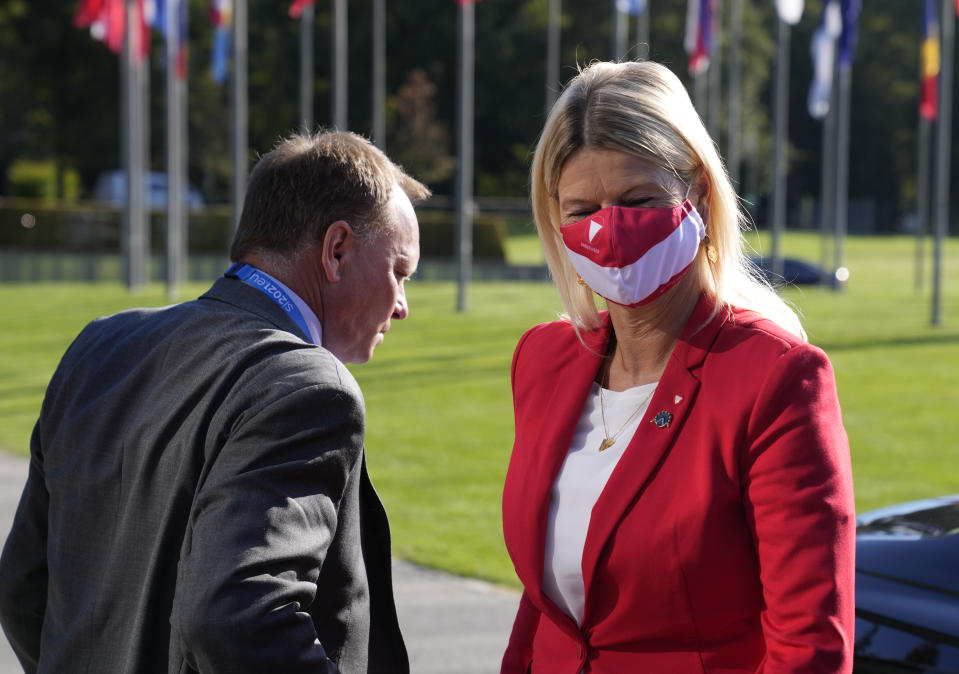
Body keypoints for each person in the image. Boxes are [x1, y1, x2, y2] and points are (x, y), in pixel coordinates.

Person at [0, 130, 430, 674]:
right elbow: (239, 618)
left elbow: (23, 588)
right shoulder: (307, 385)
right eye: (398, 271)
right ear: (337, 249)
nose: (403, 305)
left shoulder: (100, 347)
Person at [501, 61, 855, 673]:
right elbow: (544, 606)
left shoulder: (775, 377)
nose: (610, 232)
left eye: (638, 201)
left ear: (698, 192)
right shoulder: (543, 359)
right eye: (582, 209)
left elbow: (809, 647)